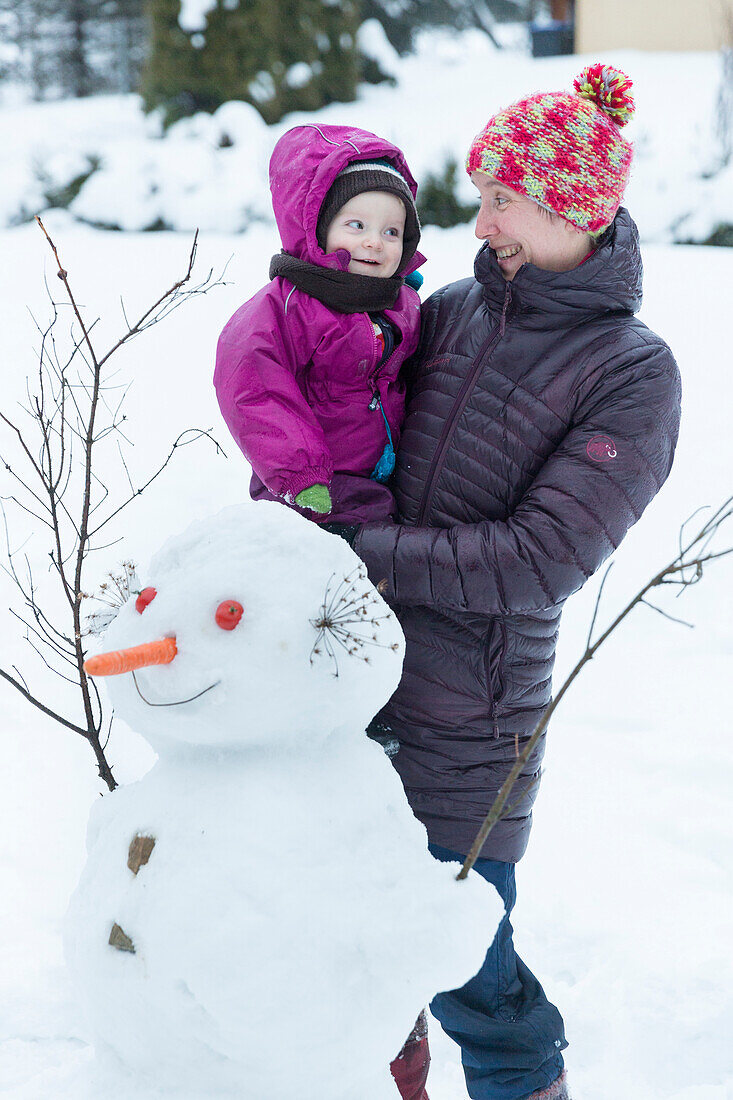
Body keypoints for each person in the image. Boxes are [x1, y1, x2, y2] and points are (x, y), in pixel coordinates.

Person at [340, 65, 682, 1100]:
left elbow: (540, 560)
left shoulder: (632, 370)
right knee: (348, 931)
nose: (476, 215)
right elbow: (347, 436)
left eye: (500, 196)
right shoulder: (444, 311)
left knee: (462, 962)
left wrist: (357, 546)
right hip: (348, 679)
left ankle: (526, 1083)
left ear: (571, 206)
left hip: (470, 715)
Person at [214, 123, 425, 526]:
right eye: (357, 226)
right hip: (311, 490)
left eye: (391, 231)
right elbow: (254, 388)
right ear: (317, 229)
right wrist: (300, 473)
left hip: (381, 479)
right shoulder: (290, 307)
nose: (375, 243)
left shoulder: (400, 303)